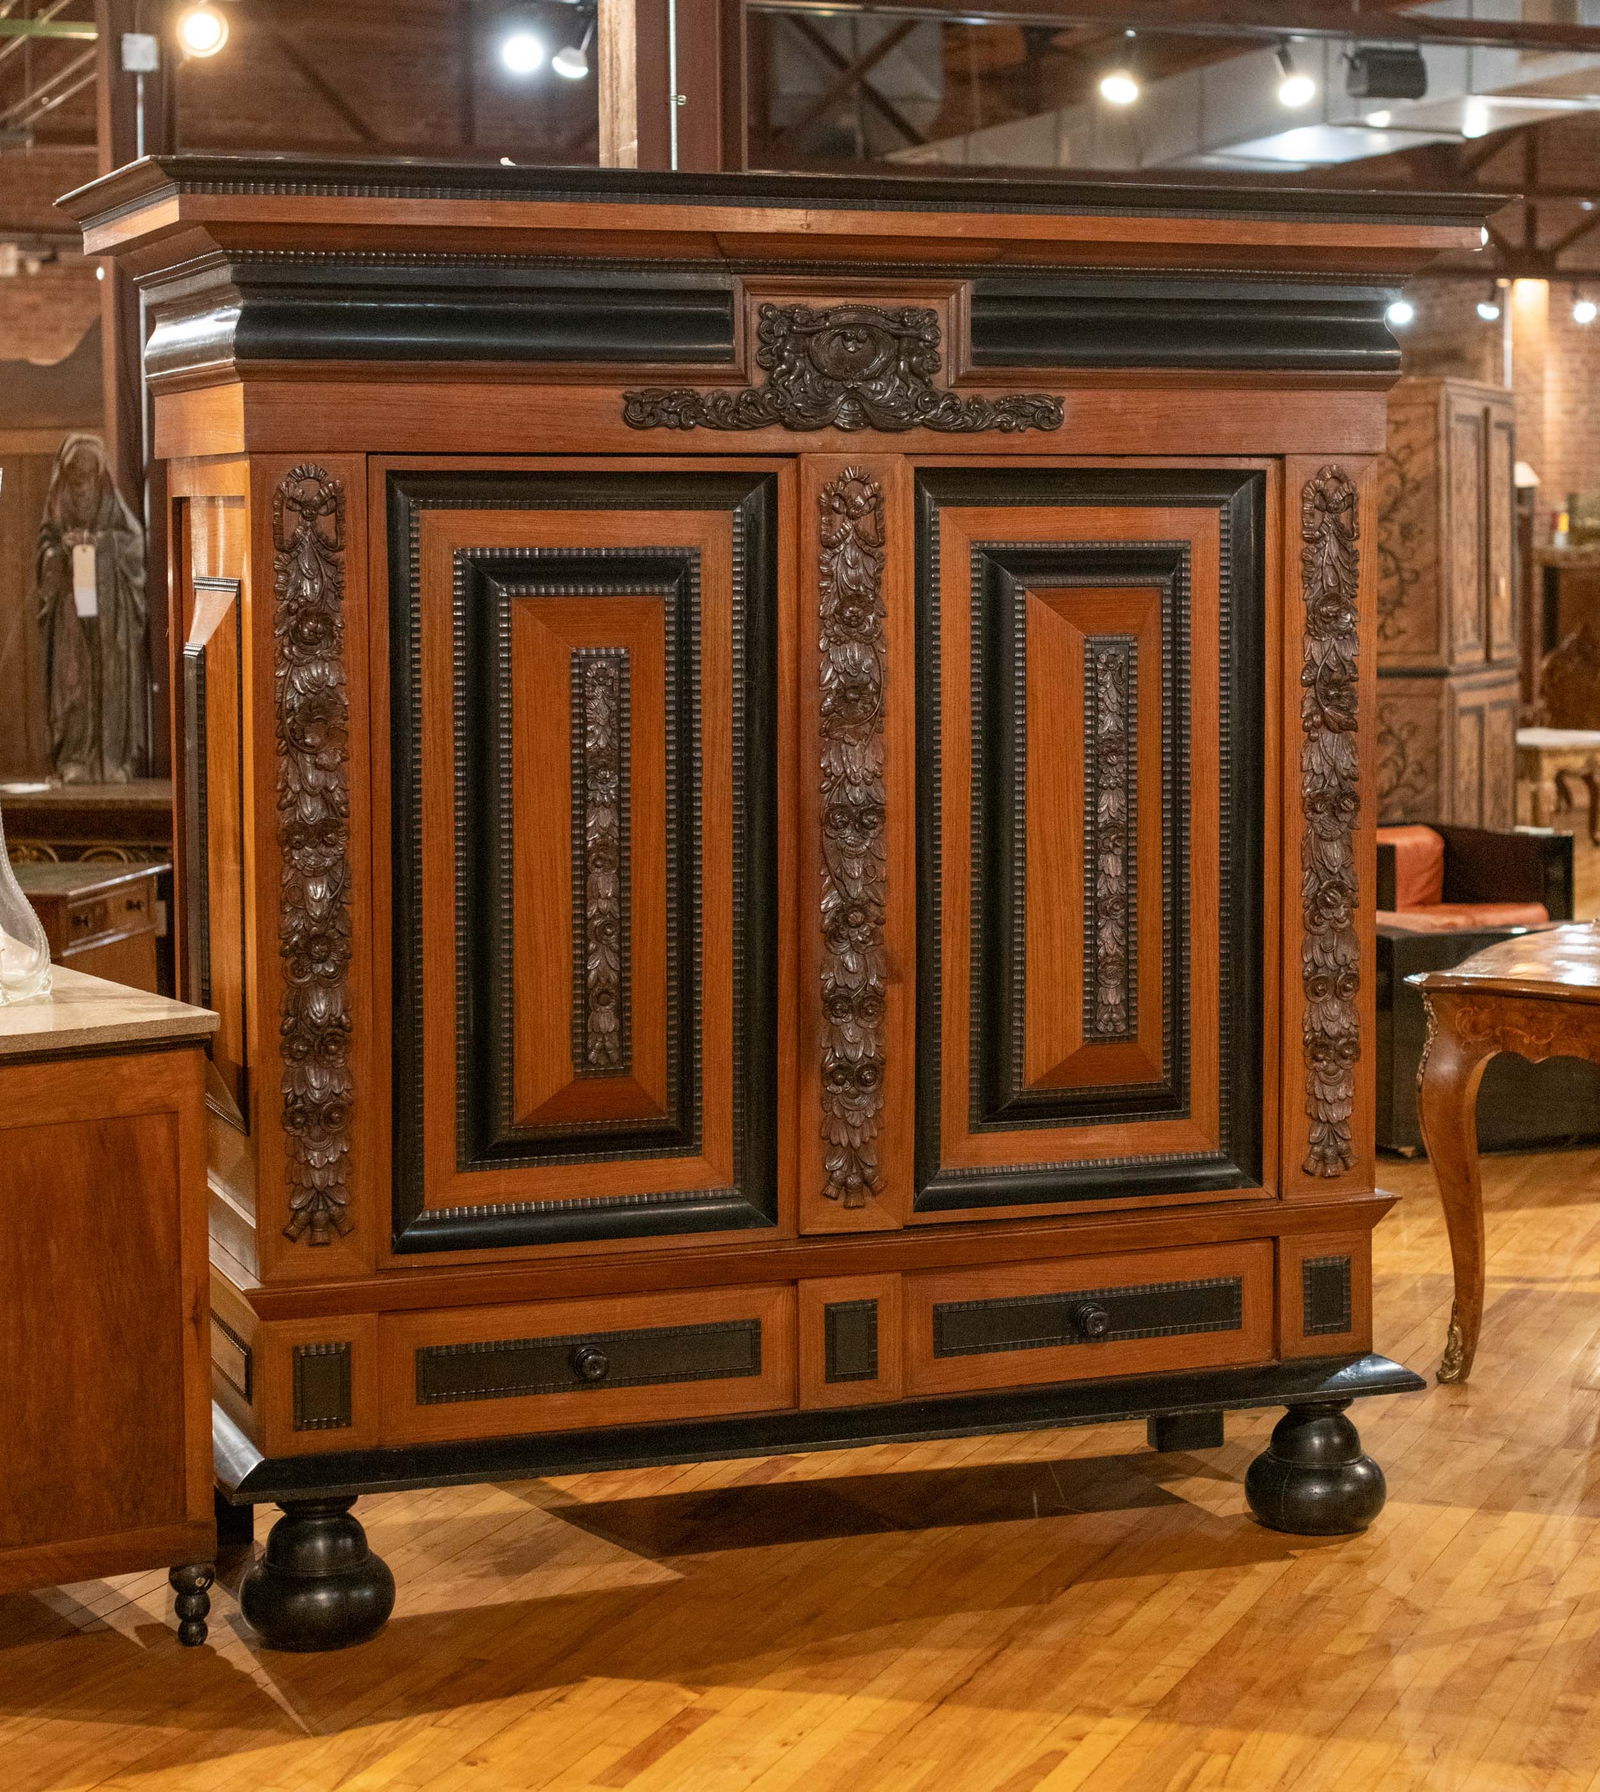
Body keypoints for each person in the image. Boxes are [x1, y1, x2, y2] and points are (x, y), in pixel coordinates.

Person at [35, 432, 147, 783]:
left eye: (89, 471)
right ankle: (75, 756)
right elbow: (45, 551)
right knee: (73, 680)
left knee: (111, 678)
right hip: (72, 610)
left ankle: (112, 758)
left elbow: (133, 545)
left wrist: (100, 544)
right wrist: (60, 552)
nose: (82, 481)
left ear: (100, 474)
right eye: (75, 472)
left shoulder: (113, 509)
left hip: (112, 613)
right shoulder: (58, 506)